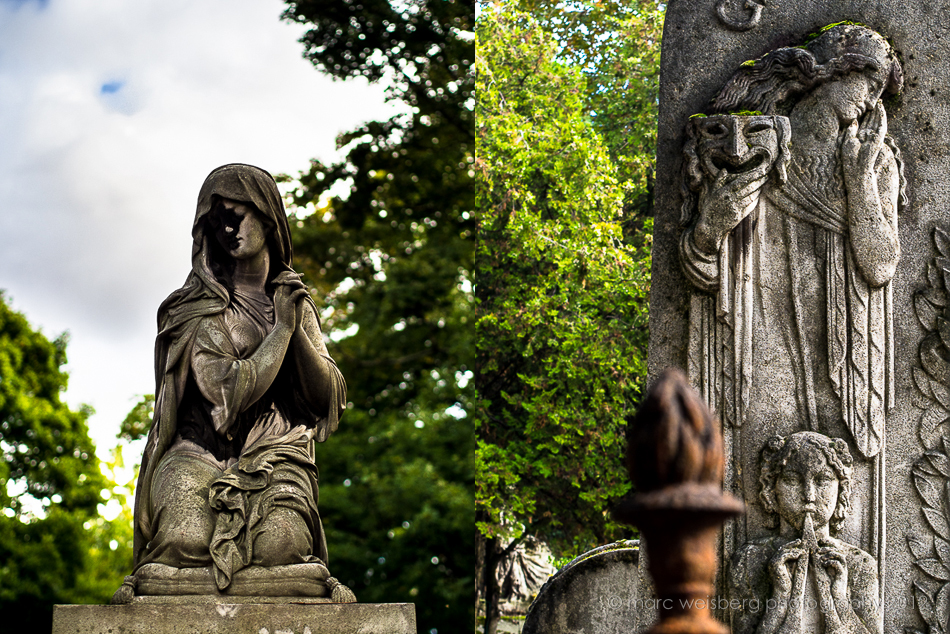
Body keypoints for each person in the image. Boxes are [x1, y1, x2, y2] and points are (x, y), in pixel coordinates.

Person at [123, 164, 347, 597]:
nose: (227, 228)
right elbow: (228, 394)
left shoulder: (295, 302)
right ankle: (279, 584)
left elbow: (327, 397)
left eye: (237, 215)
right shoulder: (194, 308)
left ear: (266, 216)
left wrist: (295, 327)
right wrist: (280, 331)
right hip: (199, 453)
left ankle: (195, 585)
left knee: (282, 546)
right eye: (216, 220)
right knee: (182, 541)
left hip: (275, 459)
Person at [729, 432, 879, 634]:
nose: (809, 495)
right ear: (772, 489)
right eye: (792, 480)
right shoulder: (748, 559)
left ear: (842, 489)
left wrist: (840, 599)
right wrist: (780, 598)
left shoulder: (860, 564)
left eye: (823, 480)